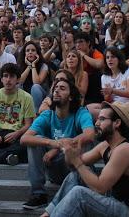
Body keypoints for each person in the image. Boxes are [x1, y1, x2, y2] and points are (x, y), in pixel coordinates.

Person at [41, 101, 129, 217]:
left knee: (79, 194)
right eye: (98, 119)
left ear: (117, 123)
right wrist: (71, 154)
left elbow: (100, 187)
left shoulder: (125, 149)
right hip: (116, 201)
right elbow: (74, 165)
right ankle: (48, 213)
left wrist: (77, 162)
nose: (97, 123)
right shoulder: (106, 145)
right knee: (76, 175)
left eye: (102, 119)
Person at [20, 78, 95, 210]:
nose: (56, 91)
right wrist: (53, 143)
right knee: (35, 140)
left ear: (71, 97)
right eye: (55, 88)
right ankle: (39, 195)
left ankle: (79, 189)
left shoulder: (80, 112)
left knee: (85, 142)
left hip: (75, 167)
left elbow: (90, 134)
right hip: (55, 168)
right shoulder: (48, 115)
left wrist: (59, 147)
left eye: (62, 88)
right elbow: (24, 138)